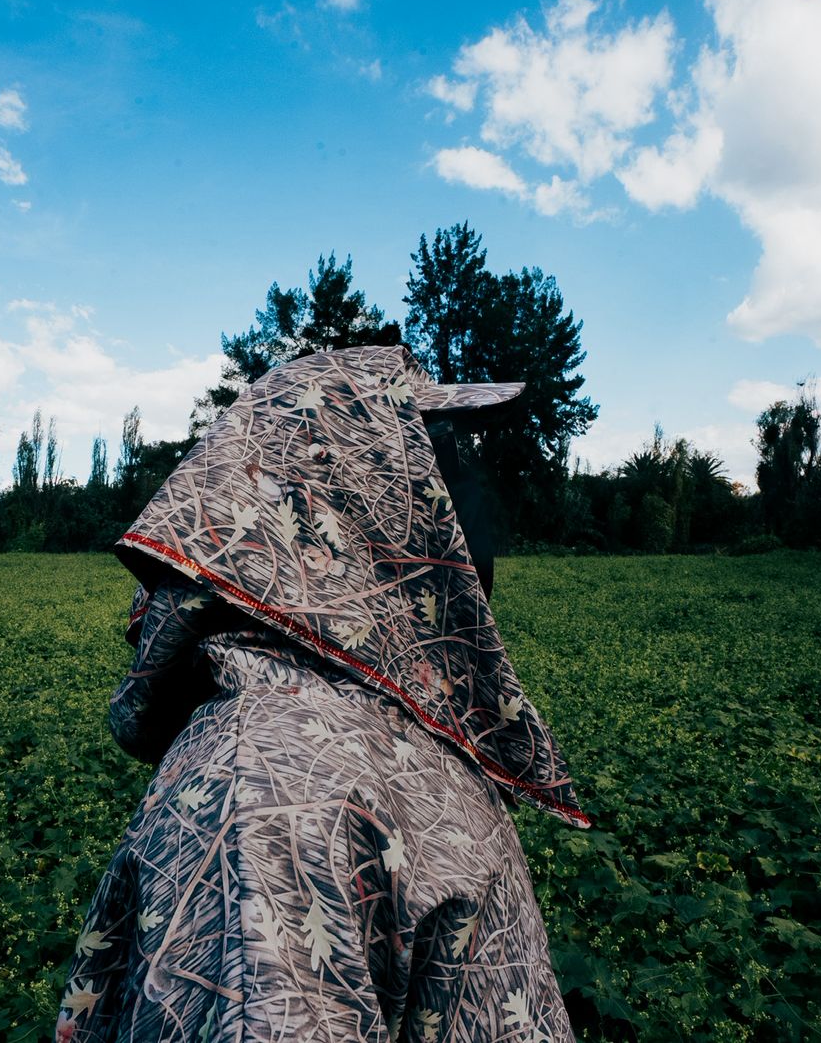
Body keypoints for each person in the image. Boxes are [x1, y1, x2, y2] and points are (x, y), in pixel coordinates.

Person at [56, 345, 589, 1042]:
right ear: (335, 501)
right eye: (434, 451)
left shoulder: (386, 697)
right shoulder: (269, 795)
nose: (462, 490)